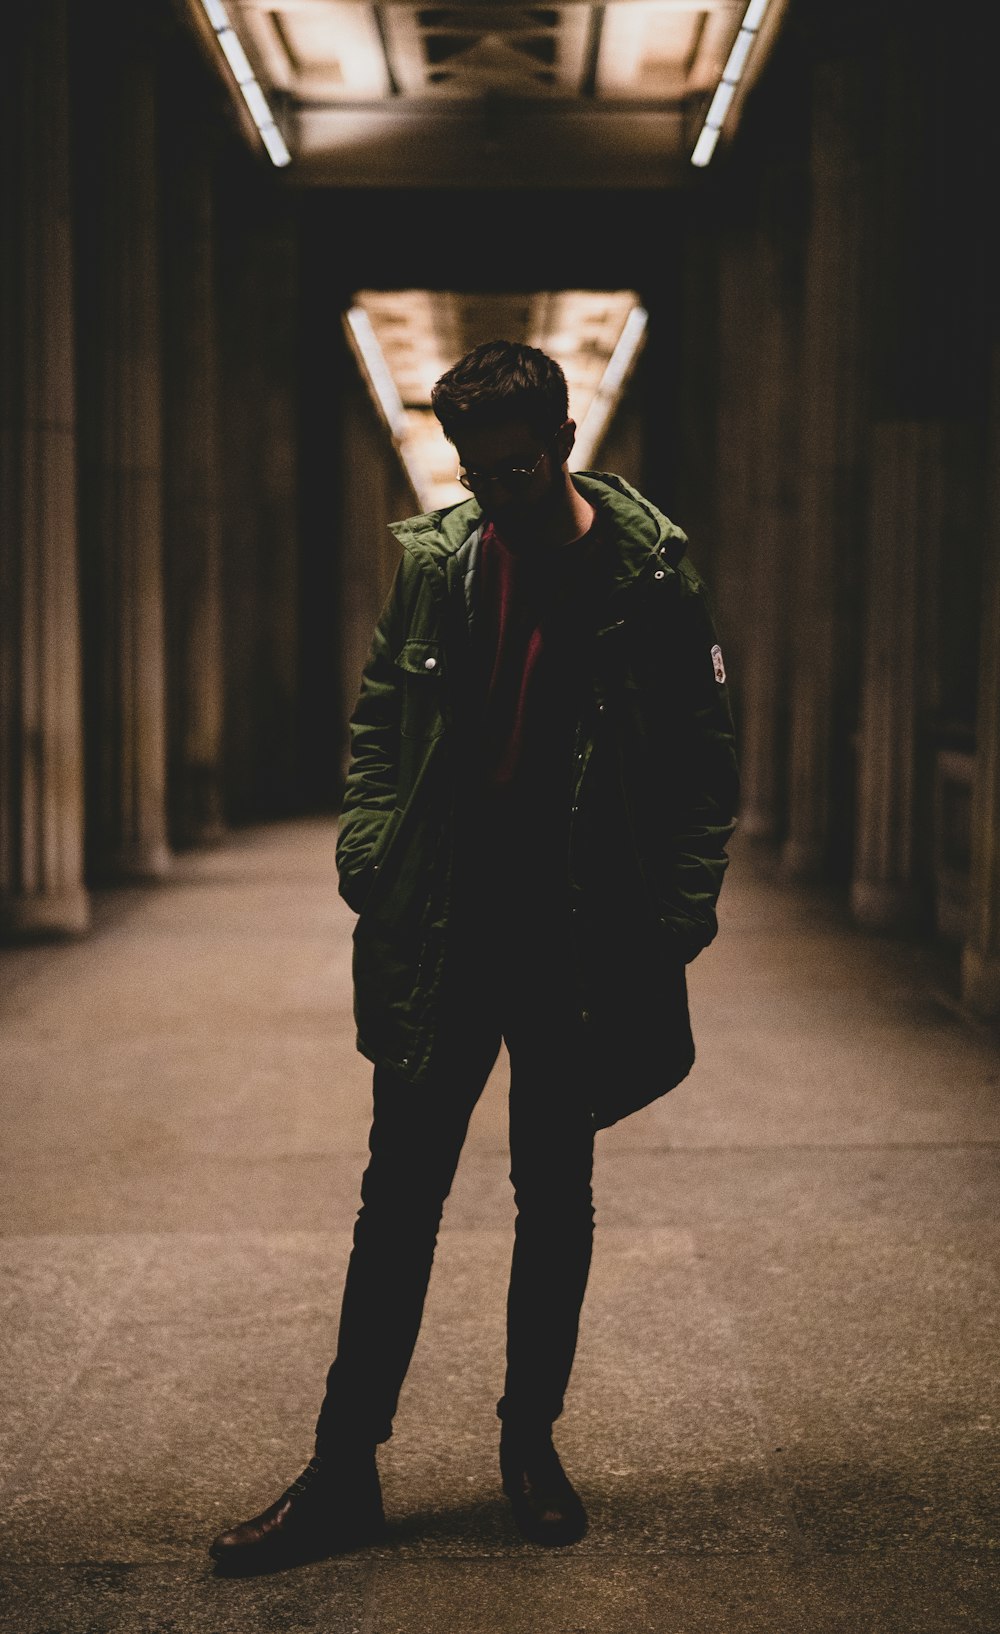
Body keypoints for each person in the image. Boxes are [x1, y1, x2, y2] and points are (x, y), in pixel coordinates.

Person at [209, 340, 739, 1574]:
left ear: (559, 442)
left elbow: (703, 761)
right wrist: (367, 848)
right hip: (446, 923)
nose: (487, 489)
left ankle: (528, 1447)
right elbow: (380, 710)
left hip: (575, 936)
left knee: (553, 1200)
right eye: (470, 467)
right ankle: (343, 1469)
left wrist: (672, 918)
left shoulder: (646, 576)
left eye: (508, 464)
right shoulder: (445, 566)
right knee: (396, 1203)